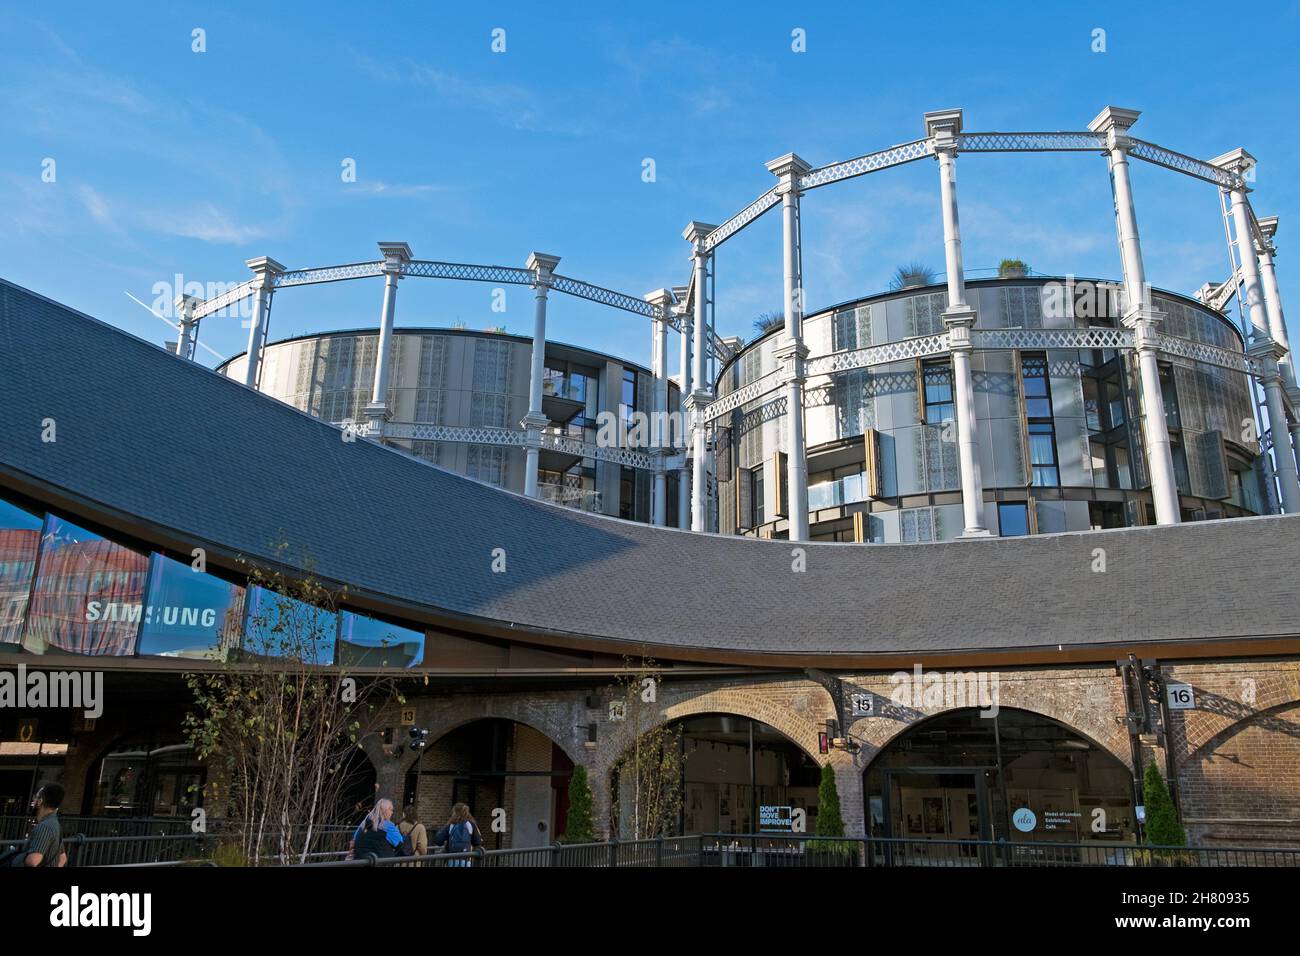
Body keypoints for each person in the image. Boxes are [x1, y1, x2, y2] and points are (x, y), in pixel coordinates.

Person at [22, 783, 67, 868]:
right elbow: (63, 858)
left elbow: (33, 861)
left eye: (36, 797)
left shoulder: (44, 826)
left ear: (40, 801)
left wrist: (18, 859)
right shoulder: (55, 824)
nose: (33, 800)